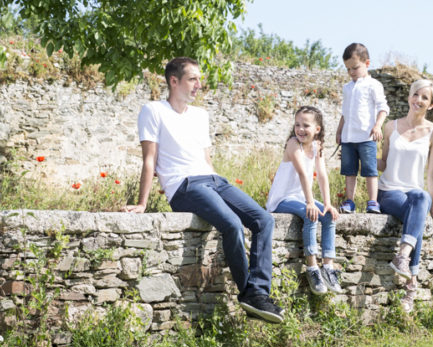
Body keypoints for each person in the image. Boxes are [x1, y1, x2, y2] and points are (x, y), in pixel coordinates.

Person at [125, 57, 284, 324]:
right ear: (173, 81)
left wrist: (220, 183)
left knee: (264, 220)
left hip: (213, 180)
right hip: (184, 185)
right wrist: (142, 203)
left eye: (199, 78)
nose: (199, 84)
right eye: (192, 79)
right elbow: (149, 159)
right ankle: (249, 294)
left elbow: (206, 159)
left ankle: (257, 292)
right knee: (232, 224)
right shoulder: (153, 110)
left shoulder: (201, 115)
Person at [377, 78, 433, 313]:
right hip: (388, 192)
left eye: (425, 98)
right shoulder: (390, 126)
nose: (418, 100)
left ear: (431, 105)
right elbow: (383, 163)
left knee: (421, 200)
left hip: (414, 193)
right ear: (409, 97)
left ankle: (403, 255)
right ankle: (411, 286)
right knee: (416, 215)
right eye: (415, 95)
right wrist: (358, 158)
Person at [265, 106, 342, 295]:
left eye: (306, 125)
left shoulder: (317, 146)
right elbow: (302, 174)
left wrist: (328, 203)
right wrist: (310, 202)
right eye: (297, 124)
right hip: (282, 199)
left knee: (328, 216)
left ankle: (328, 267)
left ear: (317, 129)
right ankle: (312, 268)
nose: (300, 129)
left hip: (301, 196)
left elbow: (322, 175)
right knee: (311, 215)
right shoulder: (293, 144)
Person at [336, 43, 389, 214]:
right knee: (349, 171)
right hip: (348, 137)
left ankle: (372, 201)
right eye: (348, 69)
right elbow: (345, 113)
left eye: (355, 68)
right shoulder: (347, 88)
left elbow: (383, 107)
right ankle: (349, 201)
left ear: (367, 63)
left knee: (370, 170)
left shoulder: (374, 85)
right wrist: (339, 131)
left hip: (367, 136)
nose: (351, 72)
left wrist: (378, 126)